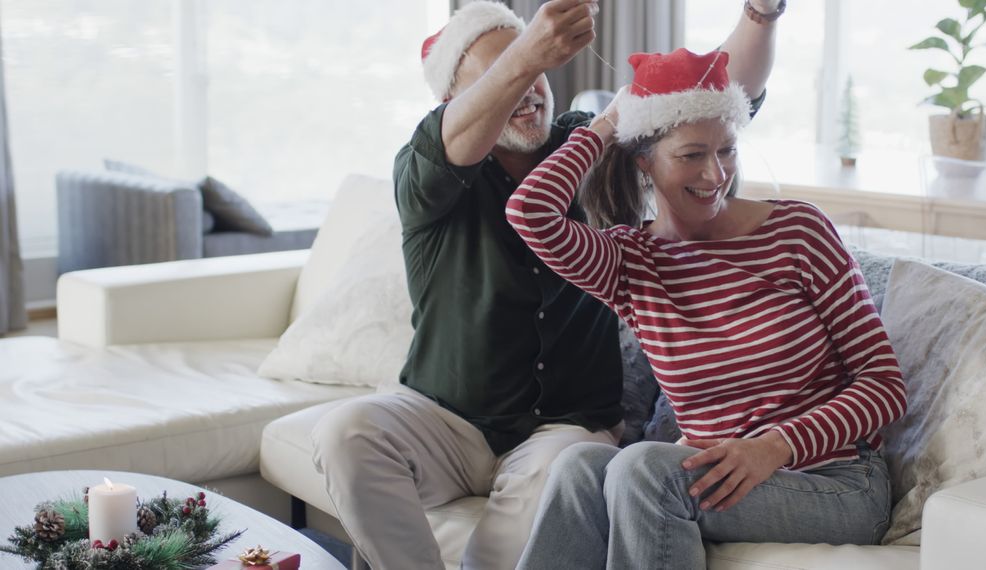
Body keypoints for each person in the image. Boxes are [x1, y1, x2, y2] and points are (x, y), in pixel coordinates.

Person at [310, 2, 781, 568]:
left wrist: (761, 13)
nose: (530, 86)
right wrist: (529, 49)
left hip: (566, 428)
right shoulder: (426, 168)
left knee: (567, 466)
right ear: (451, 101)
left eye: (537, 70)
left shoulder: (592, 149)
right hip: (444, 419)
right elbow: (455, 141)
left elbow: (714, 93)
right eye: (501, 72)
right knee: (345, 430)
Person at [507, 47, 907, 569]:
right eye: (692, 154)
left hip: (835, 480)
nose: (716, 174)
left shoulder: (797, 233)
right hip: (716, 474)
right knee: (579, 464)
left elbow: (884, 385)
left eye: (727, 150)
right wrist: (607, 124)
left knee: (644, 469)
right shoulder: (631, 261)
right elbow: (529, 211)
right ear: (644, 161)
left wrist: (774, 447)